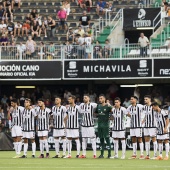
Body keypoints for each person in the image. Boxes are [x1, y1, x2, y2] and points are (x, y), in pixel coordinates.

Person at [95, 94, 112, 158]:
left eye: (101, 98)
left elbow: (113, 110)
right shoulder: (98, 106)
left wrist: (109, 104)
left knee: (107, 139)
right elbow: (95, 112)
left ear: (104, 99)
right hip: (99, 125)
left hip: (106, 126)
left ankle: (109, 154)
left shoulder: (108, 106)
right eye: (99, 99)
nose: (100, 100)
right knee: (101, 139)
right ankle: (101, 154)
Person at [142, 95, 157, 160]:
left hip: (152, 125)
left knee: (154, 139)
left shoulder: (153, 106)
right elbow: (146, 114)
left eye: (146, 99)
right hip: (146, 126)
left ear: (150, 100)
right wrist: (144, 120)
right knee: (146, 140)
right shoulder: (144, 107)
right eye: (144, 99)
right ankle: (147, 155)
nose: (145, 100)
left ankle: (155, 155)